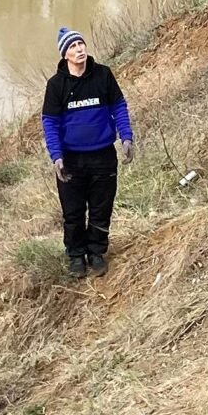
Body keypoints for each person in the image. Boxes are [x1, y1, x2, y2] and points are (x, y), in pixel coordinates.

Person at [40, 26, 134, 280]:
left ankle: (96, 252)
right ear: (65, 55)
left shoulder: (103, 75)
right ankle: (76, 255)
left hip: (103, 156)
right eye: (73, 47)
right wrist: (56, 156)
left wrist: (126, 137)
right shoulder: (56, 85)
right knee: (73, 211)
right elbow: (50, 122)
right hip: (72, 160)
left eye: (81, 44)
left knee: (101, 207)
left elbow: (119, 106)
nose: (79, 49)